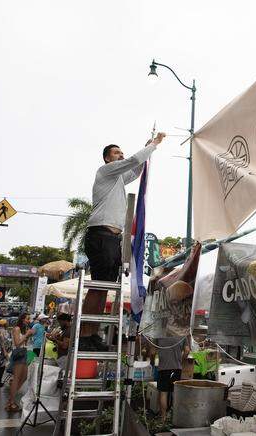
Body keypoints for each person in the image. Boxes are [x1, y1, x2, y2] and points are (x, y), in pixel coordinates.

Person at [81, 133, 166, 351]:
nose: (121, 155)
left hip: (112, 238)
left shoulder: (118, 178)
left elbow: (135, 170)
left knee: (105, 287)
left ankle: (92, 334)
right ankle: (84, 334)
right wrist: (154, 145)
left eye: (121, 152)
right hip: (100, 234)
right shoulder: (106, 171)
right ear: (108, 159)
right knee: (98, 287)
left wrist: (147, 150)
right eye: (116, 153)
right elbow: (133, 162)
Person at [153, 337, 188, 422]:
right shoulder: (182, 334)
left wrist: (154, 359)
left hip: (163, 368)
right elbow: (187, 350)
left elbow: (153, 352)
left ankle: (163, 418)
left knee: (163, 393)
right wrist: (181, 360)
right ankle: (174, 417)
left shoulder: (159, 334)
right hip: (177, 368)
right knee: (175, 393)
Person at [7, 313, 34, 412]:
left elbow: (23, 342)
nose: (29, 320)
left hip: (23, 353)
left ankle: (10, 400)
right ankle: (11, 402)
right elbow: (17, 344)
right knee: (17, 378)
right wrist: (27, 334)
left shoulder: (23, 329)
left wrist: (28, 334)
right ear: (22, 319)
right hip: (18, 353)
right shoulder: (17, 329)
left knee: (24, 377)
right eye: (27, 319)